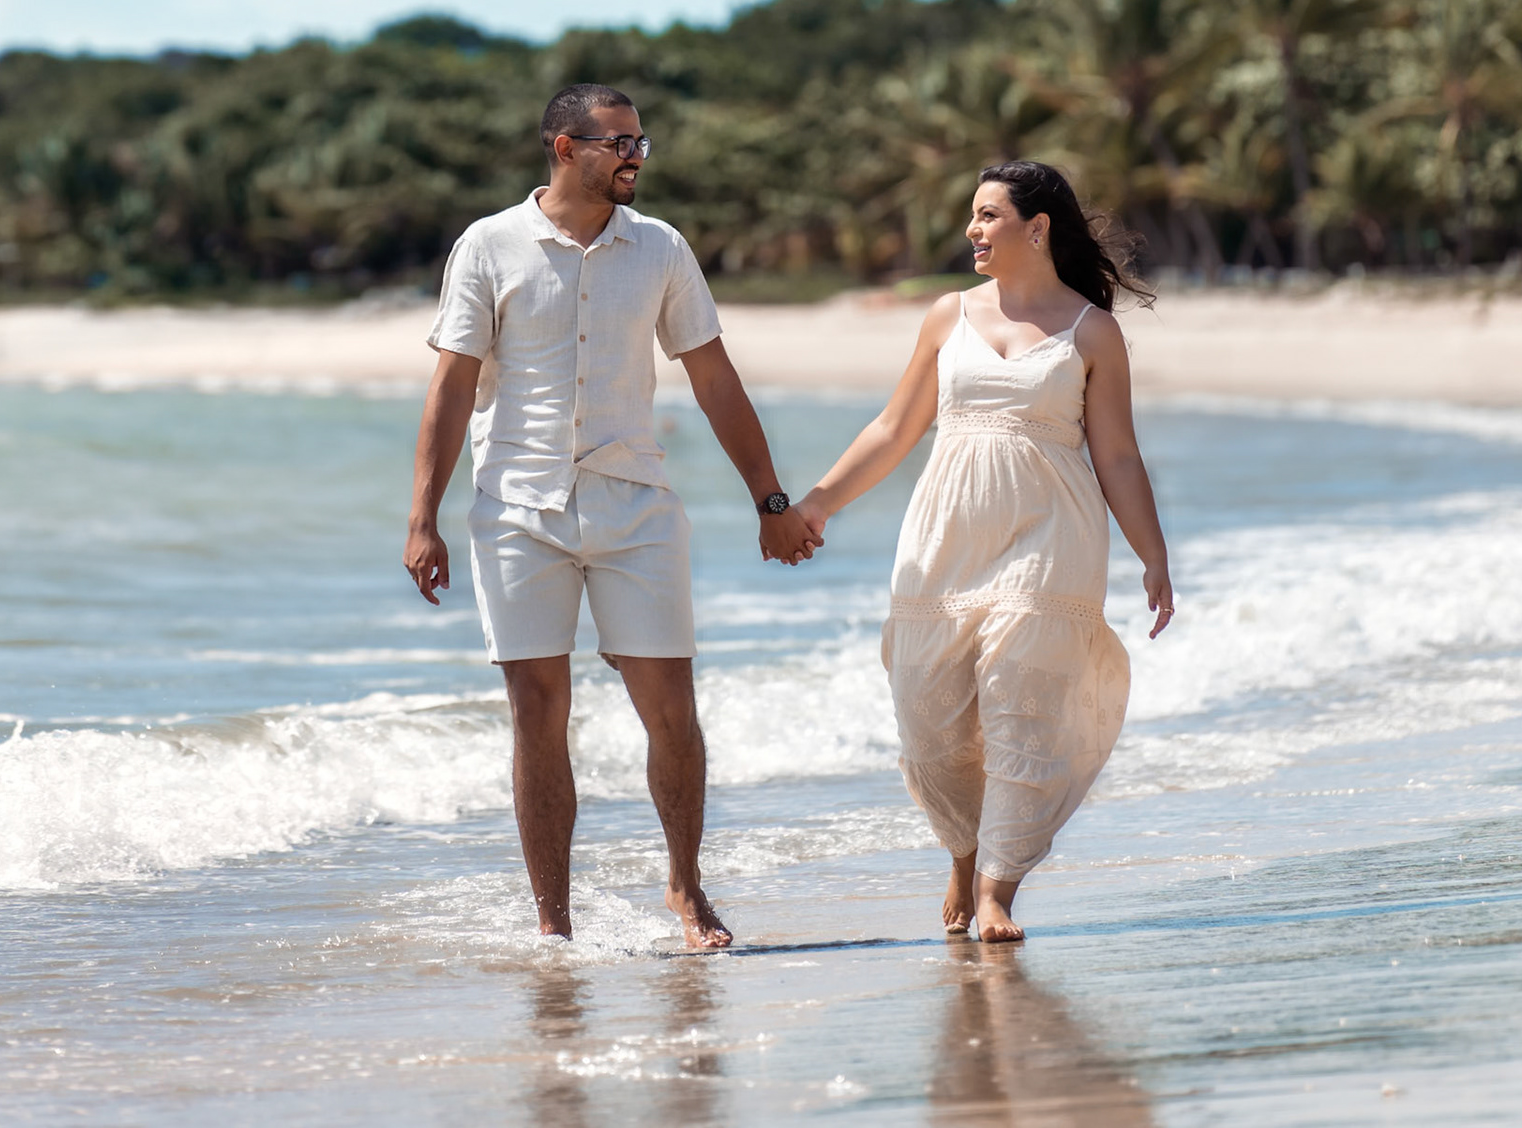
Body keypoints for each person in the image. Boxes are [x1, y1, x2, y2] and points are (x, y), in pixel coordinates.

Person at [403, 83, 822, 948]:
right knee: (537, 711)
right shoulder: (487, 246)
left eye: (640, 141)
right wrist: (423, 518)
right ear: (563, 148)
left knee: (672, 708)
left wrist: (771, 500)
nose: (634, 156)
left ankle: (686, 890)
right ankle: (553, 920)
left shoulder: (661, 248)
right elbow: (449, 390)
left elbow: (714, 378)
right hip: (518, 510)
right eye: (617, 142)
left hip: (637, 505)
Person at [795, 161, 1174, 942]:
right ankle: (964, 851)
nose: (972, 229)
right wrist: (818, 502)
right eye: (972, 215)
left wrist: (1153, 555)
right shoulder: (948, 316)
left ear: (1037, 229)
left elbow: (1120, 459)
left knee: (1019, 706)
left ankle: (999, 889)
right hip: (946, 536)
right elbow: (894, 429)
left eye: (988, 215)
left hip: (1051, 537)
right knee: (931, 722)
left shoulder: (1092, 331)